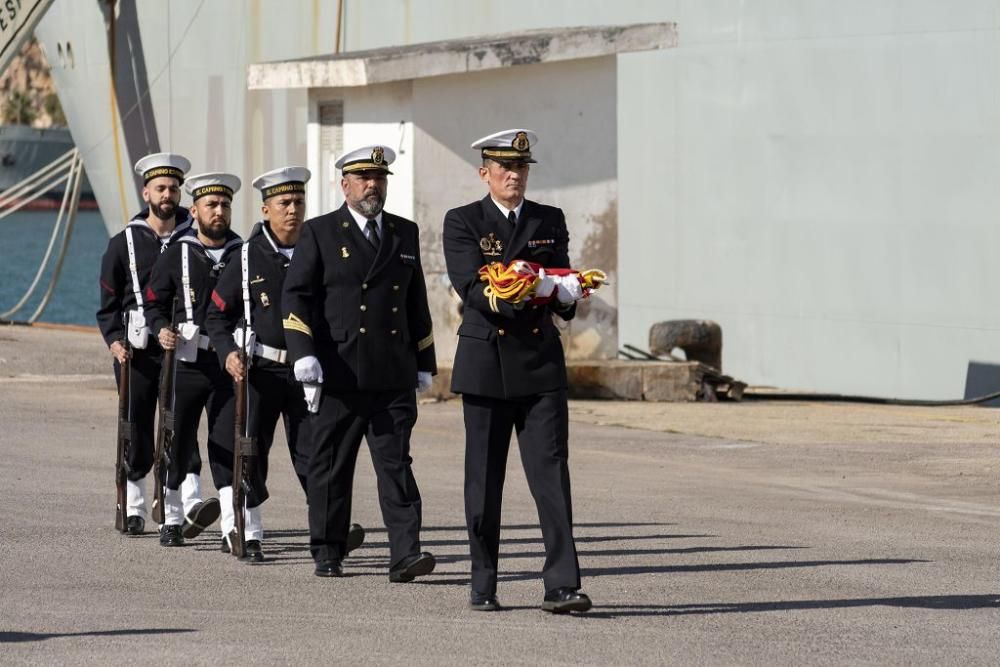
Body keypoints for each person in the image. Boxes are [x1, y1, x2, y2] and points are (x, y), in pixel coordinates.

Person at [442, 129, 592, 613]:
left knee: (552, 478)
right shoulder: (463, 221)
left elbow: (564, 279)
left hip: (539, 363)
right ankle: (483, 581)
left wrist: (567, 293)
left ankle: (563, 584)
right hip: (487, 363)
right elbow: (473, 287)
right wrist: (531, 286)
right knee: (484, 484)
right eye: (505, 167)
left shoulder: (550, 219)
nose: (515, 175)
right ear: (485, 173)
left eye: (522, 167)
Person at [282, 145, 437, 580]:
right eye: (365, 178)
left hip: (391, 373)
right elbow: (296, 295)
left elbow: (415, 300)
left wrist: (424, 360)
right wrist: (303, 352)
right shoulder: (320, 232)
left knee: (396, 466)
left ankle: (406, 553)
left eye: (380, 178)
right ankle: (328, 549)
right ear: (344, 185)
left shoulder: (404, 233)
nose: (373, 185)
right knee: (331, 465)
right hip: (340, 371)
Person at [204, 166, 365, 562]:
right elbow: (216, 316)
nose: (293, 210)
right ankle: (248, 531)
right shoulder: (245, 258)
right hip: (261, 371)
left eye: (299, 202)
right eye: (284, 203)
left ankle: (329, 531)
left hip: (310, 372)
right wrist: (227, 351)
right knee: (251, 450)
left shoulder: (321, 247)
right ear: (265, 210)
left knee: (316, 453)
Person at [96, 152, 212, 536]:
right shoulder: (123, 243)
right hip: (136, 351)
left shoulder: (195, 241)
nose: (167, 195)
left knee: (183, 423)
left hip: (183, 347)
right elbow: (108, 304)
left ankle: (190, 498)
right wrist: (114, 341)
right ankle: (134, 506)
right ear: (146, 192)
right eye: (160, 188)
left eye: (174, 188)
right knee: (137, 426)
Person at [145, 172, 243, 548]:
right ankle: (170, 517)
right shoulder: (178, 254)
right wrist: (159, 328)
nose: (219, 212)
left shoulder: (242, 252)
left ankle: (232, 525)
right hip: (186, 362)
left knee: (227, 443)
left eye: (224, 205)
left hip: (227, 363)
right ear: (195, 210)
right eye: (211, 205)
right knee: (178, 438)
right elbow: (153, 301)